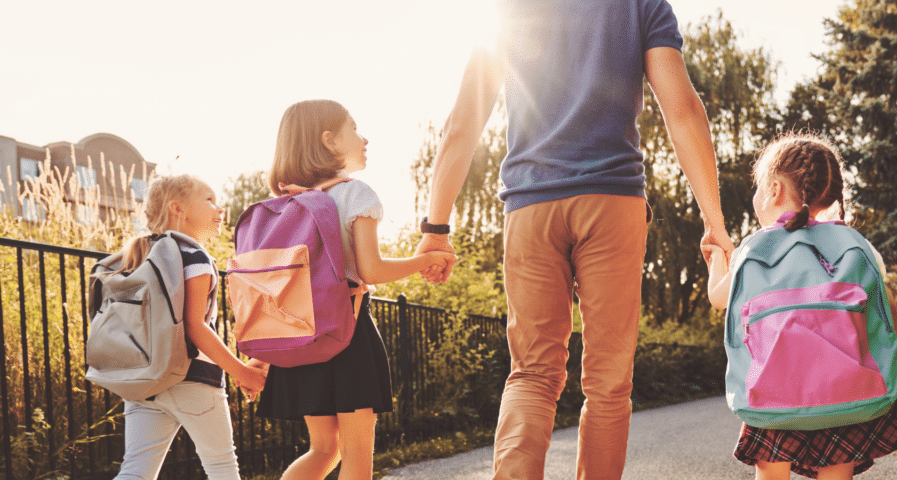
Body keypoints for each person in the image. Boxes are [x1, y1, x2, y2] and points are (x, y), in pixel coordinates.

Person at [414, 1, 733, 478]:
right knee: (608, 384)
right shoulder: (641, 6)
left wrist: (436, 231)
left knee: (532, 375)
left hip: (531, 206)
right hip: (613, 202)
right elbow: (682, 109)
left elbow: (463, 123)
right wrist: (715, 222)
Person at [251, 99, 456, 480]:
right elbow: (370, 269)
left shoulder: (284, 204)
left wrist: (262, 356)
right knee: (357, 456)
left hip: (300, 338)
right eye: (355, 129)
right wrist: (424, 261)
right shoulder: (354, 194)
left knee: (323, 450)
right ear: (329, 141)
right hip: (347, 335)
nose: (364, 139)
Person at [703, 133, 897, 480]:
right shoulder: (854, 244)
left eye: (759, 187)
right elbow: (887, 312)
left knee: (772, 474)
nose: (757, 196)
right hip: (847, 392)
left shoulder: (757, 248)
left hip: (774, 393)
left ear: (774, 190)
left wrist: (717, 258)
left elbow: (719, 298)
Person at [110, 174, 268, 480]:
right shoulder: (194, 256)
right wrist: (243, 372)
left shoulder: (136, 255)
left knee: (136, 471)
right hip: (193, 379)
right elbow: (196, 327)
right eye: (209, 199)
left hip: (143, 380)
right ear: (177, 208)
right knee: (222, 467)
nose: (219, 208)